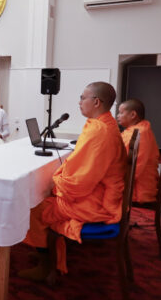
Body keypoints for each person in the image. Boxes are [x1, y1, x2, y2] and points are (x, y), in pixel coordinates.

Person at [20, 82, 127, 281]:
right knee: (46, 193)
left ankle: (45, 265)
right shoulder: (104, 124)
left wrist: (57, 181)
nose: (79, 102)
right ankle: (44, 248)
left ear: (96, 102)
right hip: (100, 193)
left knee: (35, 207)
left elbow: (79, 185)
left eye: (82, 98)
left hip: (96, 203)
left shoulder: (100, 131)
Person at [116, 98, 159, 203]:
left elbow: (133, 166)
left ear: (133, 115)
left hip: (138, 188)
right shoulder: (139, 129)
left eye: (121, 113)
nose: (118, 115)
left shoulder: (139, 134)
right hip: (140, 181)